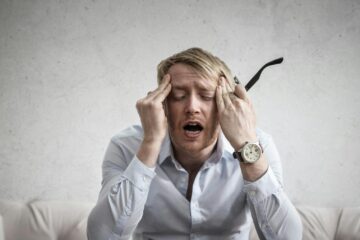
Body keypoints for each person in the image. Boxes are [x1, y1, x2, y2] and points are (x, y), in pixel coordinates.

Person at [87, 47, 303, 240]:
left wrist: (246, 146)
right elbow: (102, 236)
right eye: (179, 96)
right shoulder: (126, 146)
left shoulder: (258, 145)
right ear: (161, 104)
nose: (192, 107)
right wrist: (150, 143)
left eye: (207, 96)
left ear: (227, 105)